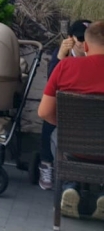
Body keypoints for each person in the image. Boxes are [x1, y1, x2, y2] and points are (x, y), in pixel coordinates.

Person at [37, 20, 104, 221]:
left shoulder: (66, 66)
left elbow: (44, 112)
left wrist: (67, 126)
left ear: (86, 46)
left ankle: (69, 185)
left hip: (73, 148)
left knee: (57, 136)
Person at [38, 19, 91, 190]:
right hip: (65, 106)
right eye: (81, 39)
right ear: (70, 38)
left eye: (88, 39)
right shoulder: (63, 54)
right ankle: (46, 163)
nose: (84, 43)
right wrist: (61, 57)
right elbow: (51, 84)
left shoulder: (95, 57)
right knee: (49, 116)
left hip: (87, 110)